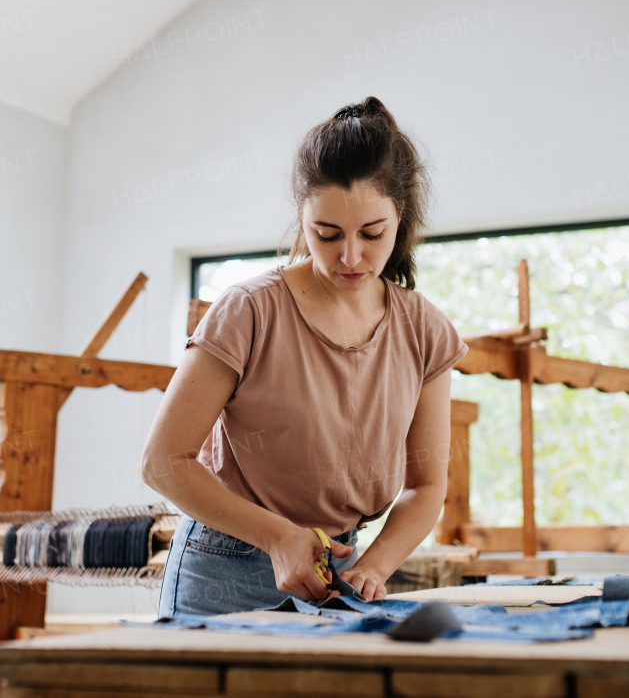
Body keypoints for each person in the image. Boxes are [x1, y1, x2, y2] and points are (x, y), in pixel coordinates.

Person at [143, 97, 468, 617]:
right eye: (327, 234)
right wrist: (277, 537)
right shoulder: (248, 310)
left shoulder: (425, 328)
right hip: (226, 564)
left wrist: (375, 565)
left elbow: (426, 484)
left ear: (400, 217)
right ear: (302, 217)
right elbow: (162, 463)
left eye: (372, 234)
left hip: (341, 571)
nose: (351, 257)